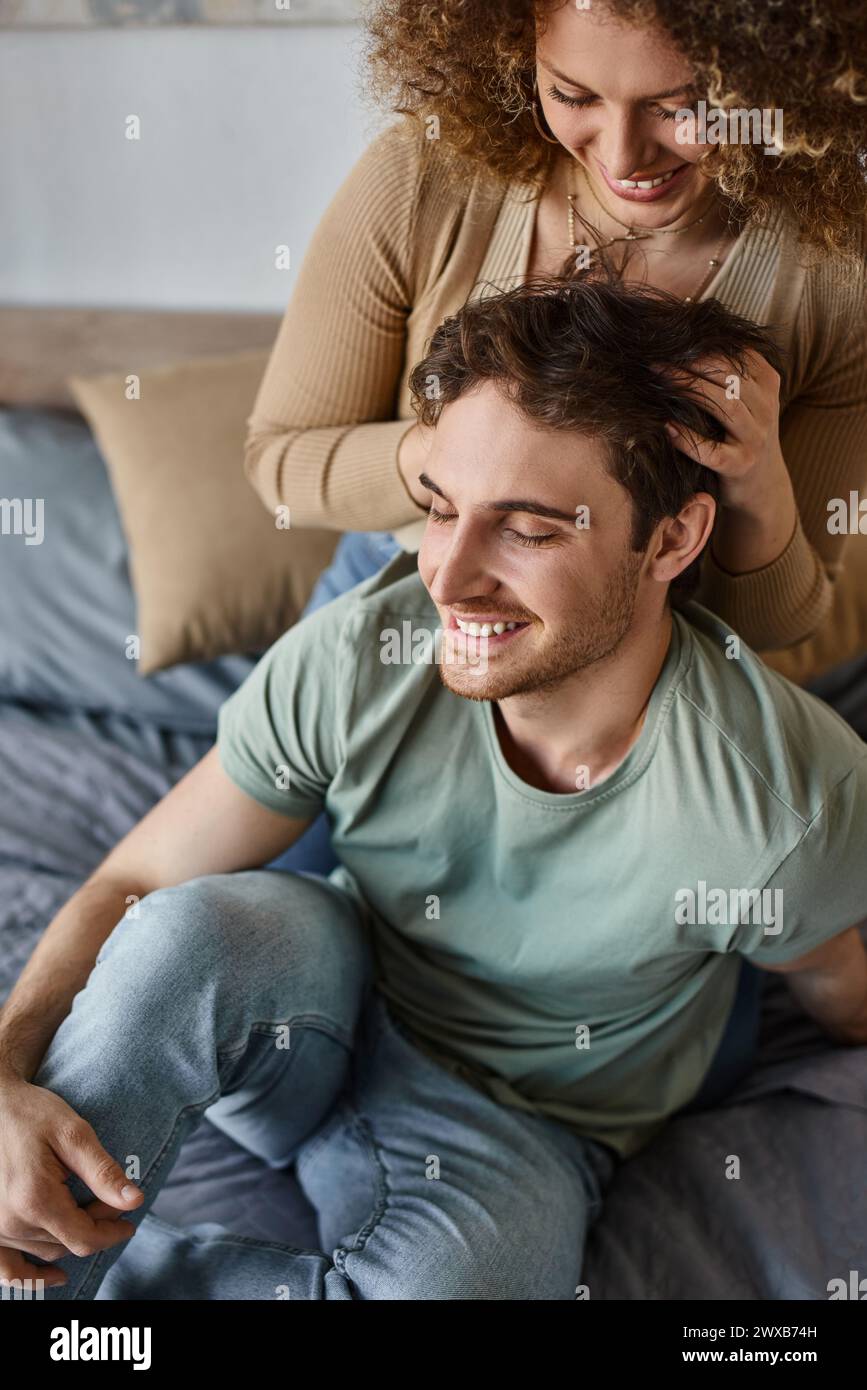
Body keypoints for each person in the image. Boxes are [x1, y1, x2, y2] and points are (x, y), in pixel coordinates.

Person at [1, 280, 866, 1301]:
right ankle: (28, 1273)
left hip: (526, 1119)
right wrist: (5, 1074)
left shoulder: (778, 800)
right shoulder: (363, 650)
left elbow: (834, 979)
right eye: (441, 510)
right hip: (329, 986)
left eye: (529, 529)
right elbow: (138, 877)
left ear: (671, 542)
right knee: (181, 937)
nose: (448, 577)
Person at [247, 0, 867, 878]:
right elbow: (279, 460)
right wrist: (476, 459)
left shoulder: (836, 270)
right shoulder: (424, 179)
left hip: (654, 672)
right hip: (409, 615)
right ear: (512, 50)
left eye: (682, 104)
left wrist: (757, 473)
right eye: (571, 93)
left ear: (781, 81)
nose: (623, 155)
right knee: (259, 913)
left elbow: (769, 626)